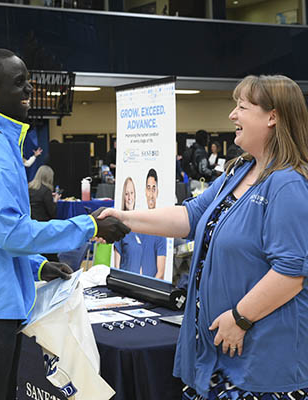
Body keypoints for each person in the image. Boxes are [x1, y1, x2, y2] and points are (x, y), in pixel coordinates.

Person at [97, 74, 308, 399]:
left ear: (273, 116)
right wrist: (124, 218)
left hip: (261, 363)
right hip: (217, 355)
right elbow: (189, 217)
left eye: (241, 107)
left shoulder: (287, 185)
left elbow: (291, 273)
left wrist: (240, 318)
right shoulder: (238, 173)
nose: (232, 115)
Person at [0, 48, 129, 400]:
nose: (30, 90)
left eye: (28, 81)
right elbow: (9, 233)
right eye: (19, 83)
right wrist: (88, 227)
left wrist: (38, 266)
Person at [114, 177, 143, 273]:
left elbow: (140, 265)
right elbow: (116, 266)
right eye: (126, 194)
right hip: (125, 282)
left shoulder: (140, 227)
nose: (129, 198)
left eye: (132, 193)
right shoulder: (119, 227)